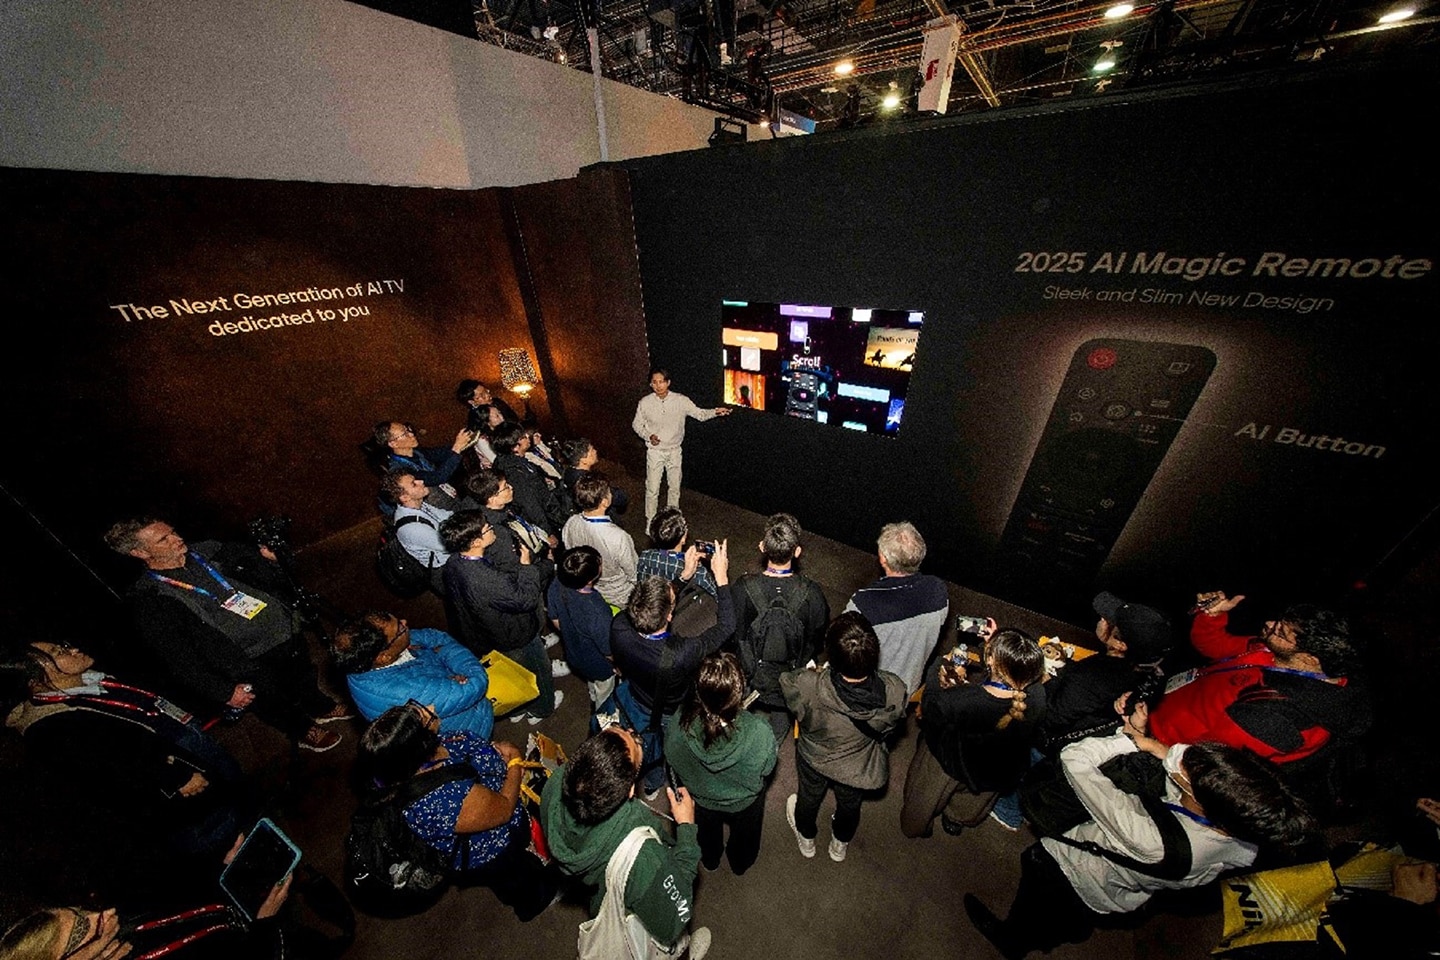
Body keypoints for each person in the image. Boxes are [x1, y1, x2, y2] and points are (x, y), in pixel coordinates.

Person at [964, 714, 1322, 959]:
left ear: (1203, 805)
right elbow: (1181, 774)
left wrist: (1125, 741)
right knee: (1070, 922)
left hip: (1072, 874)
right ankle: (1063, 932)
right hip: (1118, 895)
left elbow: (1077, 761)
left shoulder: (1147, 838)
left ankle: (1013, 941)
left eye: (1188, 775)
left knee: (1036, 904)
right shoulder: (1244, 834)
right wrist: (1155, 747)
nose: (1178, 760)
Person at [4, 640, 247, 899]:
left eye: (62, 645)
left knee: (238, 800)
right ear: (36, 681)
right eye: (58, 653)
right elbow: (110, 771)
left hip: (189, 751)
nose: (72, 649)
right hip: (185, 796)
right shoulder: (51, 728)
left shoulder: (94, 681)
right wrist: (174, 777)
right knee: (228, 839)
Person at [104, 518, 349, 753]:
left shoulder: (209, 550)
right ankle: (303, 729)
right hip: (246, 662)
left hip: (283, 631)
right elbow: (180, 659)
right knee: (272, 701)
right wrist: (223, 692)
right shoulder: (152, 600)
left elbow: (267, 571)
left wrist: (273, 561)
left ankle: (320, 706)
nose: (176, 539)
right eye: (163, 539)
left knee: (303, 674)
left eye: (173, 531)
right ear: (140, 553)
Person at [358, 703, 558, 921]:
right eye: (425, 716)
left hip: (491, 816)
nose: (432, 707)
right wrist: (515, 762)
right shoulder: (443, 799)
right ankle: (534, 903)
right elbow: (504, 809)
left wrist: (491, 751)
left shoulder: (427, 754)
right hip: (491, 850)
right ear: (419, 745)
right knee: (517, 878)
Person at [539, 727, 711, 958]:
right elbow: (674, 916)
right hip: (637, 900)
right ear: (630, 790)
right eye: (636, 744)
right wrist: (686, 829)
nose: (632, 731)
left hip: (600, 889)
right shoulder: (641, 853)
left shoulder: (555, 784)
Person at [780, 611, 907, 863]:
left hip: (814, 757)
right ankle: (839, 844)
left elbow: (786, 684)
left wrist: (815, 673)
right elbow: (891, 726)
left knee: (808, 797)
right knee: (850, 804)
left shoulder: (809, 684)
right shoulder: (894, 689)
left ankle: (807, 839)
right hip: (858, 765)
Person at [610, 544, 736, 797]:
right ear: (669, 616)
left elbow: (653, 606)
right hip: (669, 710)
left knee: (647, 743)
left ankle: (654, 780)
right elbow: (726, 626)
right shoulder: (680, 654)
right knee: (671, 745)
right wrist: (721, 578)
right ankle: (676, 781)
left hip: (636, 695)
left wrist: (683, 577)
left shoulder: (619, 626)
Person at [900, 627, 1047, 838]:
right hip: (997, 768)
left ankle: (915, 828)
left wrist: (940, 666)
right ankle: (955, 820)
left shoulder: (962, 701)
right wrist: (992, 644)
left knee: (924, 797)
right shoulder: (1037, 695)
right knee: (971, 801)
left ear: (992, 663)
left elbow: (931, 707)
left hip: (952, 763)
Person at [439, 510, 562, 724]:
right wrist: (526, 567)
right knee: (537, 669)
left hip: (488, 633)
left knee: (512, 671)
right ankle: (542, 708)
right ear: (476, 541)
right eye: (487, 528)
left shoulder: (454, 562)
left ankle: (517, 710)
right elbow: (525, 600)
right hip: (515, 635)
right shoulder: (482, 578)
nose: (491, 528)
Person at [663, 652, 778, 875]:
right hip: (744, 802)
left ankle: (710, 860)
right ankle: (740, 863)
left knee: (706, 831)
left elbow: (673, 759)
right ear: (739, 695)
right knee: (746, 836)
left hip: (702, 798)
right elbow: (767, 768)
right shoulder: (759, 732)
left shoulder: (678, 723)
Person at [730, 512, 829, 743]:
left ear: (762, 547)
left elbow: (734, 631)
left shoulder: (744, 589)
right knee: (781, 717)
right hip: (790, 679)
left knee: (737, 714)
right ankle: (770, 748)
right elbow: (818, 636)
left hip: (750, 675)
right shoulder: (812, 594)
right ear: (797, 552)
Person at [330, 611, 494, 742]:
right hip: (467, 729)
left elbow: (433, 636)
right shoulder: (403, 693)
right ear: (384, 657)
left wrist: (438, 650)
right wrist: (444, 651)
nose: (405, 622)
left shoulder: (366, 658)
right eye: (400, 628)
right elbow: (477, 682)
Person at [844, 521, 951, 697]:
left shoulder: (863, 604)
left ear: (883, 559)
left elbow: (844, 647)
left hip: (869, 692)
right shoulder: (938, 591)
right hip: (909, 686)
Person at [631, 368, 732, 529]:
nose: (658, 386)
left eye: (661, 382)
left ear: (668, 383)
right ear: (651, 384)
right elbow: (636, 424)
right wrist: (648, 435)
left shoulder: (681, 400)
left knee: (674, 488)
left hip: (674, 451)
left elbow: (699, 414)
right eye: (655, 382)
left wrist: (715, 412)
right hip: (655, 452)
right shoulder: (645, 403)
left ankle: (673, 521)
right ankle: (650, 522)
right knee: (652, 489)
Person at [546, 546, 618, 720]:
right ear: (590, 579)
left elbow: (555, 619)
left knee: (592, 681)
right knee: (605, 689)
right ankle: (604, 715)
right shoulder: (597, 610)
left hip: (574, 652)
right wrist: (619, 666)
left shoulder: (557, 584)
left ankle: (592, 693)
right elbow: (608, 651)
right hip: (598, 663)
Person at [562, 474, 639, 609]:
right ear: (605, 502)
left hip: (588, 588)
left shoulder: (571, 523)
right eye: (609, 491)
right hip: (618, 595)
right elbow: (632, 571)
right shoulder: (618, 537)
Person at [382, 467, 454, 596]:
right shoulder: (411, 528)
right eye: (414, 484)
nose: (421, 481)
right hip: (446, 570)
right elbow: (449, 544)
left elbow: (446, 515)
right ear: (404, 497)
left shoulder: (419, 505)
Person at [490, 421, 566, 539]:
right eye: (523, 437)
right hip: (546, 521)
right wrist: (548, 532)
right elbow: (530, 505)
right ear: (515, 446)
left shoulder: (520, 461)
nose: (527, 438)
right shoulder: (514, 472)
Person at [637, 507, 717, 597]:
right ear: (683, 539)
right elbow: (717, 596)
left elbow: (641, 588)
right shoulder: (698, 572)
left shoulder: (645, 557)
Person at [558, 438, 627, 518]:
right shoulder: (589, 482)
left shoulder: (569, 472)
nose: (595, 451)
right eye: (592, 450)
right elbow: (620, 498)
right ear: (583, 460)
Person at [455, 379, 520, 432]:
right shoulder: (475, 419)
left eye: (486, 391)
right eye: (482, 395)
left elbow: (514, 419)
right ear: (472, 401)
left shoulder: (497, 402)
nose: (488, 395)